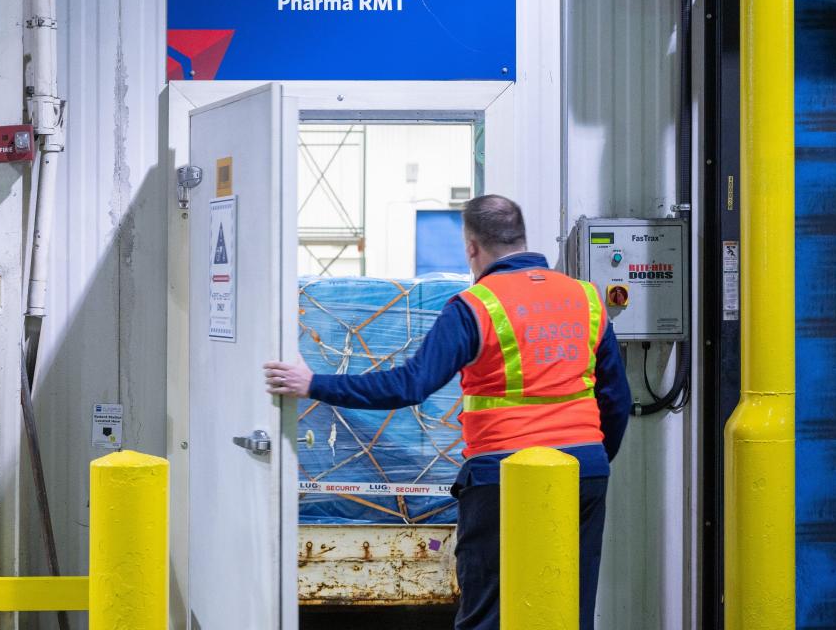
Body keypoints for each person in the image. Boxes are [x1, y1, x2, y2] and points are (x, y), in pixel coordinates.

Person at [265, 194, 631, 630]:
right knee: (568, 604)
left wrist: (315, 383)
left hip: (502, 474)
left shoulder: (476, 306)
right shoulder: (586, 299)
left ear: (472, 247)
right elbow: (617, 399)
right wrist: (591, 460)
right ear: (521, 237)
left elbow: (409, 385)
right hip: (582, 472)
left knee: (487, 611)